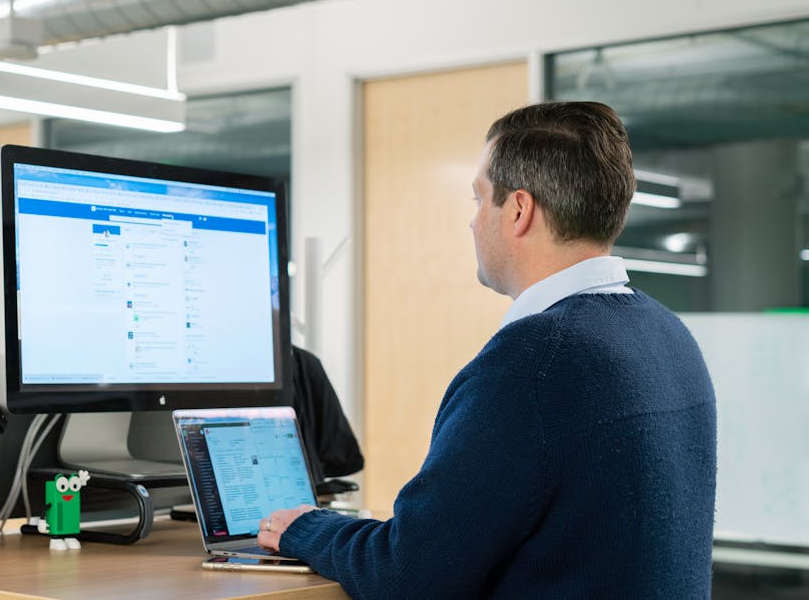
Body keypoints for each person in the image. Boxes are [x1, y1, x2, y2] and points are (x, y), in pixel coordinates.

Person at [257, 102, 717, 598]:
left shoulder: (534, 361)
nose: (473, 223)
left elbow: (407, 575)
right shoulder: (669, 335)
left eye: (479, 200)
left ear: (518, 211)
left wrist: (306, 528)